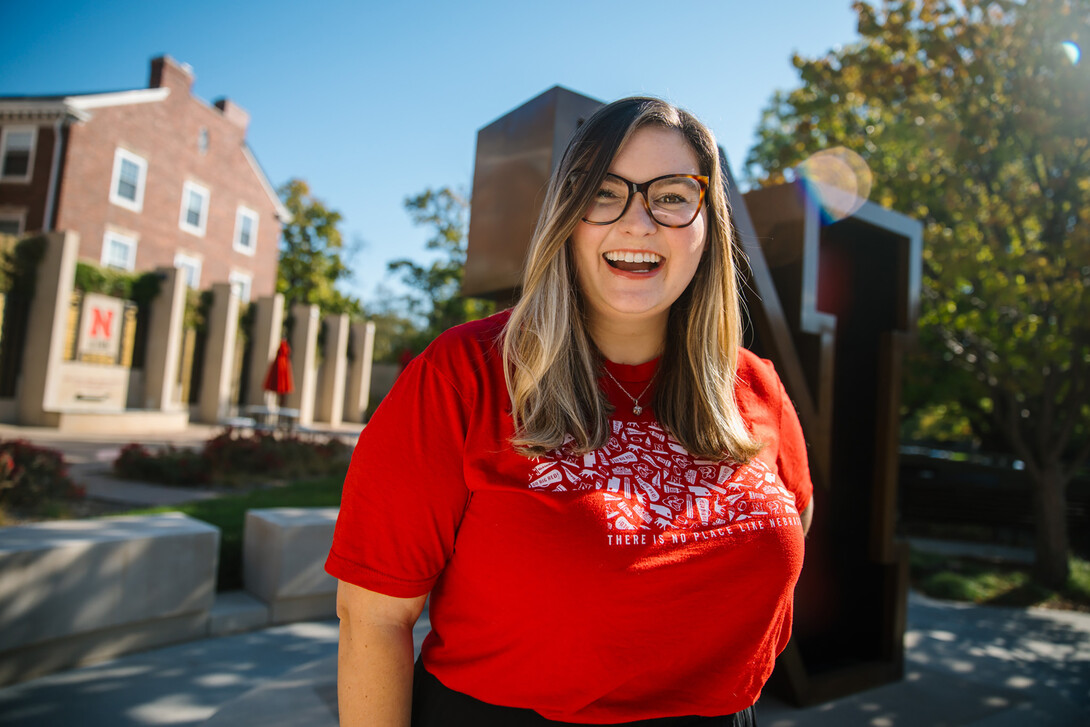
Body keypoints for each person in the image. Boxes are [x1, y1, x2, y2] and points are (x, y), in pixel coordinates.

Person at [326, 96, 814, 726]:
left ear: (707, 224)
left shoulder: (756, 386)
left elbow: (793, 527)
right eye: (604, 192)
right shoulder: (464, 374)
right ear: (565, 217)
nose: (637, 223)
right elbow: (373, 618)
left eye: (670, 195)